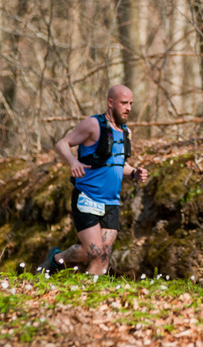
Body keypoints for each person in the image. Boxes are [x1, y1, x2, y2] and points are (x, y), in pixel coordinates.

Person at [37, 85, 148, 277]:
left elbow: (117, 165)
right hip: (87, 197)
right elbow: (62, 144)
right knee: (94, 250)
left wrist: (134, 173)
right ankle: (56, 259)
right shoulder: (93, 125)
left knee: (104, 254)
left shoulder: (125, 132)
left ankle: (89, 292)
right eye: (124, 103)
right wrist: (72, 162)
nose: (128, 108)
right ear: (110, 103)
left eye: (130, 103)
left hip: (111, 201)